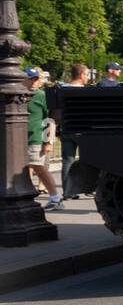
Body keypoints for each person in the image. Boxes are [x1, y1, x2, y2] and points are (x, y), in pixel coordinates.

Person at [24, 67, 62, 211]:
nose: (34, 81)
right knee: (24, 168)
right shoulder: (19, 94)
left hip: (36, 138)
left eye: (36, 79)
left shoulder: (41, 95)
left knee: (39, 168)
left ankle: (55, 198)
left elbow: (49, 119)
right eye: (31, 78)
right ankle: (27, 197)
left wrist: (48, 141)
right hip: (21, 139)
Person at [58, 62, 89, 199]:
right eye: (87, 74)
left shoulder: (62, 89)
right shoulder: (85, 91)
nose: (88, 77)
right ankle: (83, 188)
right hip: (82, 130)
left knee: (67, 161)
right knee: (86, 161)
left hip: (66, 128)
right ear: (82, 75)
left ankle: (67, 191)